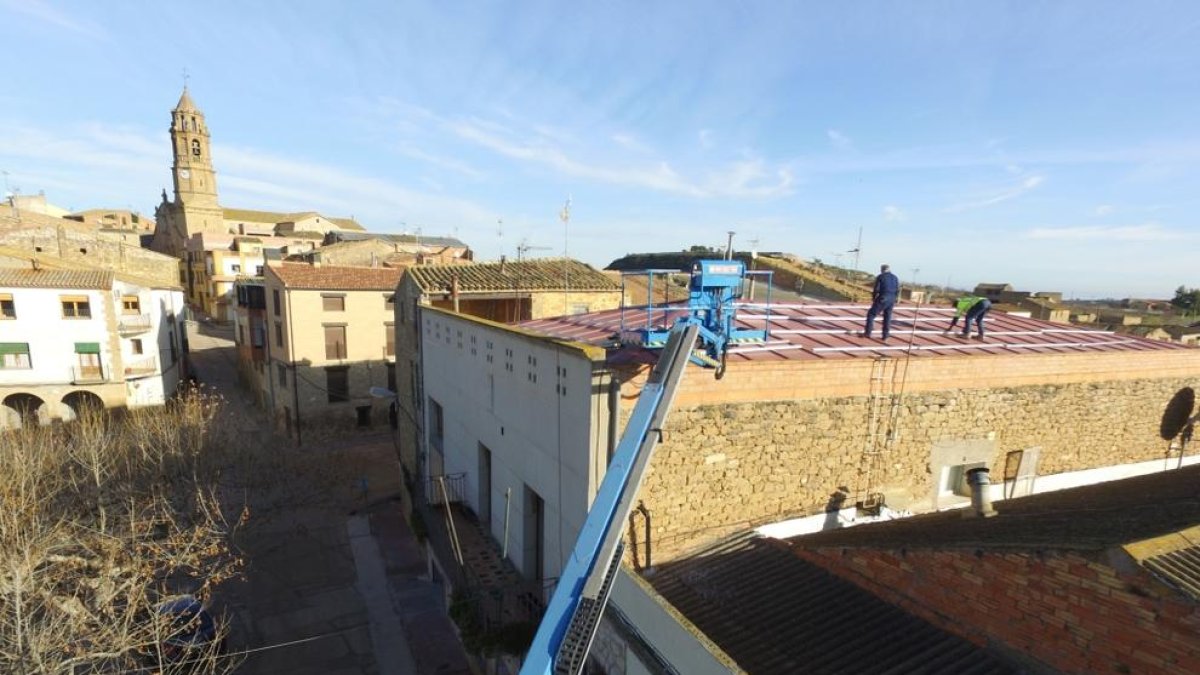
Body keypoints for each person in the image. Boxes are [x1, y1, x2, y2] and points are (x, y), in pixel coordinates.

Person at [863, 264, 900, 340]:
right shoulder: (895, 277)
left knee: (871, 314)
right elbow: (897, 290)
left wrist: (874, 299)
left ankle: (868, 333)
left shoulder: (881, 277)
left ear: (882, 270)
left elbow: (876, 289)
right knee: (887, 317)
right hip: (892, 299)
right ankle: (885, 335)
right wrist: (894, 299)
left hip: (883, 298)